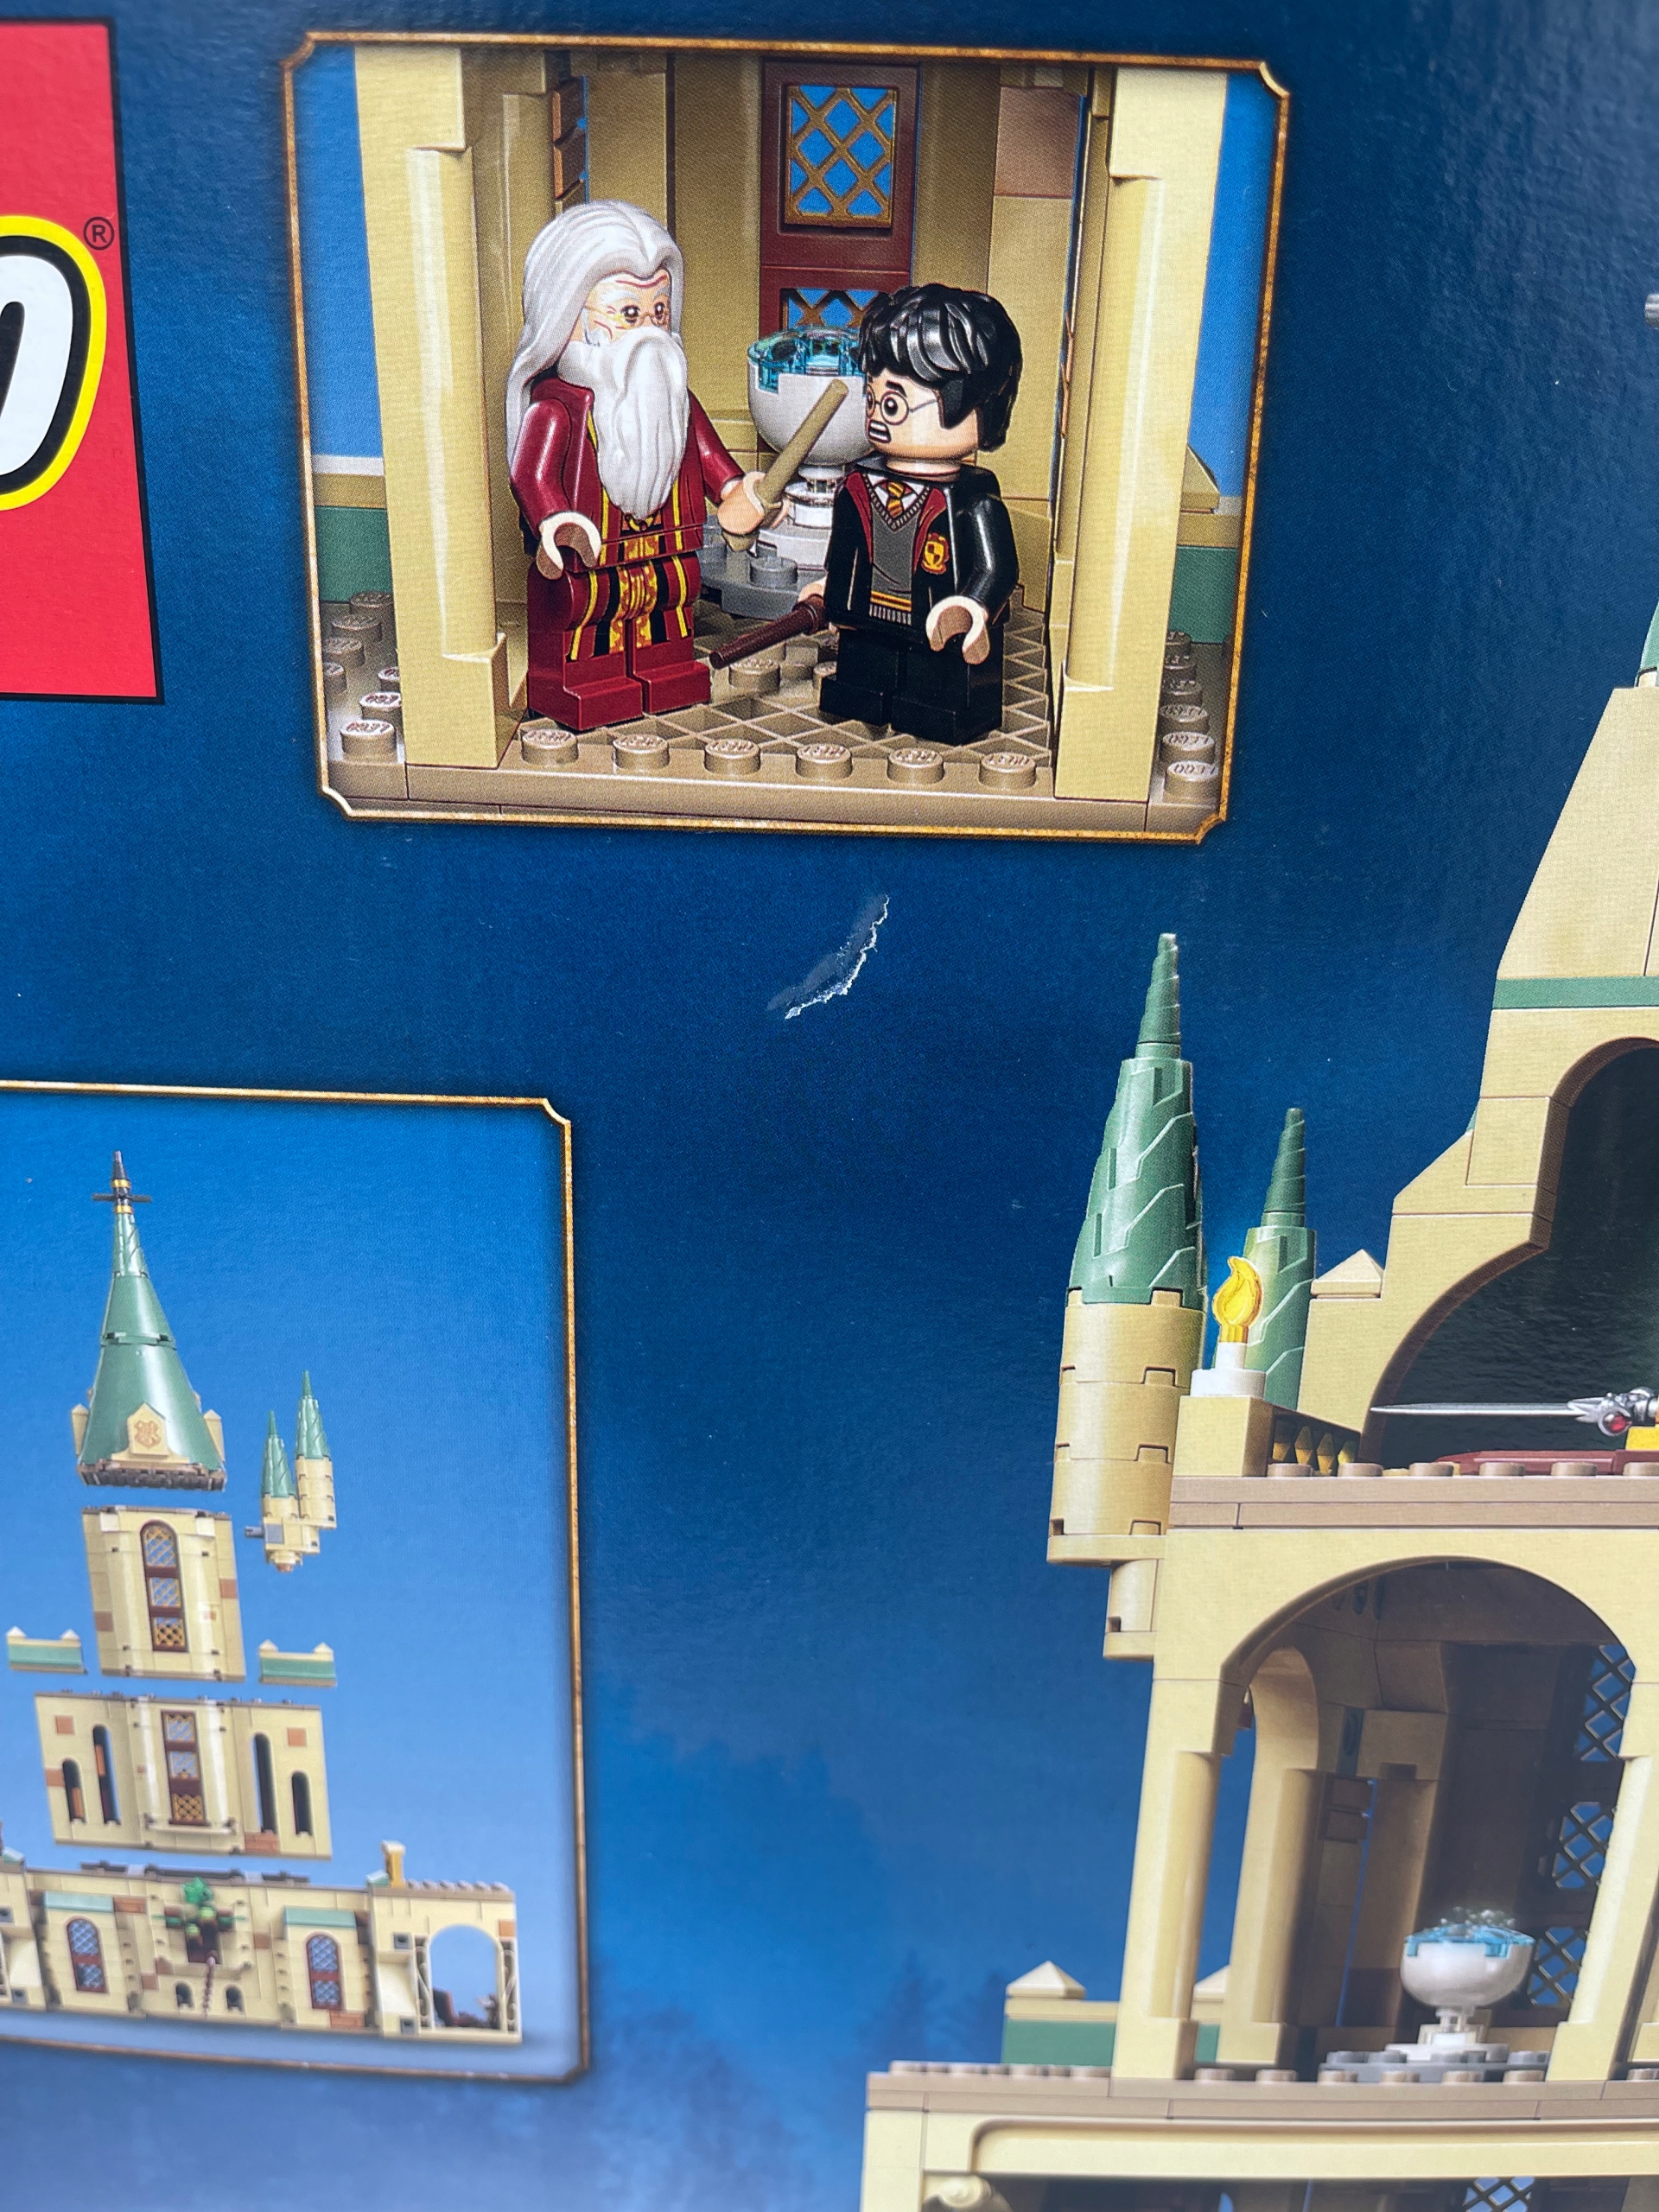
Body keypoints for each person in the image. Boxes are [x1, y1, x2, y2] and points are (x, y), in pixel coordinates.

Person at [506, 201, 768, 729]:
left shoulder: (675, 402)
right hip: (590, 555)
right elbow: (531, 474)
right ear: (569, 318)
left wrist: (737, 491)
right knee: (587, 610)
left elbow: (709, 457)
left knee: (672, 601)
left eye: (659, 311)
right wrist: (554, 521)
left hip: (668, 547)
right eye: (629, 313)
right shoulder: (558, 409)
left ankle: (666, 671)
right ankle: (583, 684)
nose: (649, 330)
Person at [805, 284, 1023, 747]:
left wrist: (973, 605)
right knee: (862, 676)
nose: (878, 416)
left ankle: (935, 710)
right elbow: (846, 549)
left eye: (895, 404)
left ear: (974, 405)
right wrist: (832, 587)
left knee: (936, 691)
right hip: (867, 614)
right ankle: (865, 696)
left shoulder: (971, 499)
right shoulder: (859, 484)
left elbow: (997, 566)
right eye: (872, 399)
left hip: (937, 624)